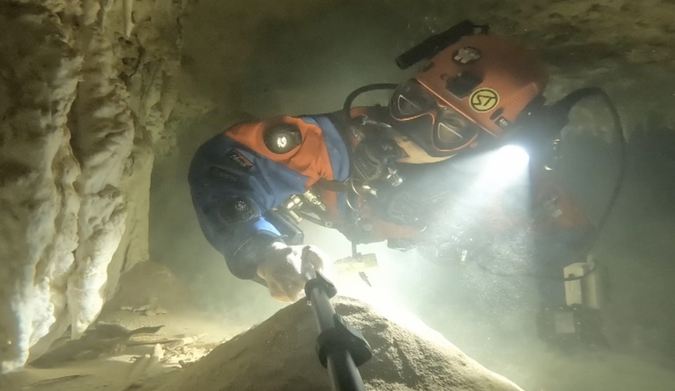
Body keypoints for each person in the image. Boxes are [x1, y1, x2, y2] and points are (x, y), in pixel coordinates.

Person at [188, 22, 614, 348]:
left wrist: (578, 309)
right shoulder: (340, 141)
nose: (408, 127)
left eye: (448, 128)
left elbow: (573, 245)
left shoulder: (503, 186)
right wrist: (267, 249)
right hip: (339, 237)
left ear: (479, 145)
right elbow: (226, 169)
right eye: (411, 102)